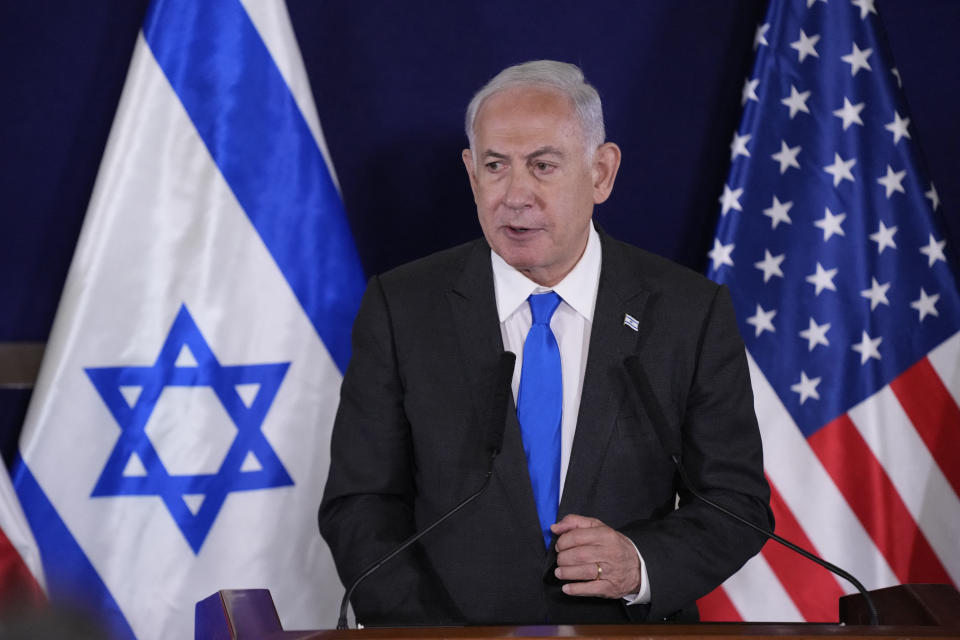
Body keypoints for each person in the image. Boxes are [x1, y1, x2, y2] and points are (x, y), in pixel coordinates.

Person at [318, 60, 772, 626]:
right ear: (470, 174)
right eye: (495, 166)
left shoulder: (688, 312)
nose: (515, 195)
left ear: (601, 173)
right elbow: (360, 503)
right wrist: (424, 633)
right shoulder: (403, 307)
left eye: (543, 165)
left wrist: (640, 564)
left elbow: (735, 503)